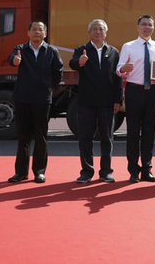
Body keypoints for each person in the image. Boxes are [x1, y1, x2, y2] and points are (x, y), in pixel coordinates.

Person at [7, 21, 63, 184]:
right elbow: (12, 59)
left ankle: (39, 171)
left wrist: (48, 87)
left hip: (42, 99)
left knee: (40, 136)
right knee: (23, 136)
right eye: (34, 29)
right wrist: (15, 60)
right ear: (28, 33)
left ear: (45, 33)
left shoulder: (51, 51)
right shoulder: (20, 49)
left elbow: (58, 72)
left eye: (40, 29)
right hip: (22, 98)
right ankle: (20, 172)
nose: (37, 32)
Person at [69, 19, 123, 184]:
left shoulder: (113, 52)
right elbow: (72, 64)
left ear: (106, 32)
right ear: (89, 32)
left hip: (107, 102)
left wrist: (118, 98)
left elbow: (118, 77)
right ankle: (86, 172)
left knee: (107, 138)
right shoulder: (81, 50)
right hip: (87, 101)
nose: (98, 32)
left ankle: (106, 171)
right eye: (94, 29)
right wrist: (79, 62)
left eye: (101, 29)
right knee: (85, 138)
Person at [116, 15, 155, 183]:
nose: (147, 27)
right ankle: (133, 170)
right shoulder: (128, 46)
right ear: (137, 27)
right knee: (133, 131)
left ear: (153, 27)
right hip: (134, 91)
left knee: (149, 132)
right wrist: (124, 68)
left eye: (150, 25)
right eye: (144, 24)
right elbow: (119, 69)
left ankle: (147, 169)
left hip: (152, 91)